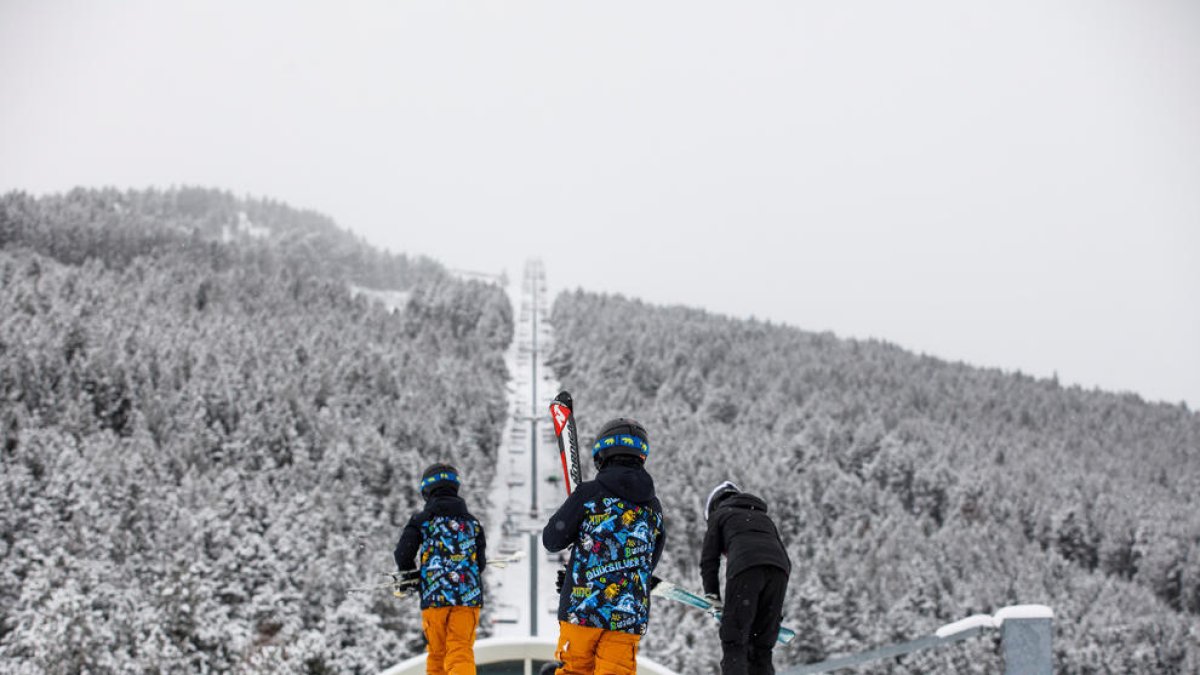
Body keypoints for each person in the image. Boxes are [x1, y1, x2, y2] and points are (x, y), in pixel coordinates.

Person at [541, 418, 666, 675]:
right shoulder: (653, 508)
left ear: (602, 453)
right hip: (628, 615)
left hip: (582, 609)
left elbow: (552, 540)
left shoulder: (589, 494)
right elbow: (647, 562)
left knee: (574, 670)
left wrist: (579, 574)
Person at [395, 463, 487, 675]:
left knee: (437, 654)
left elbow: (403, 553)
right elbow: (480, 562)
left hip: (434, 598)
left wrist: (410, 577)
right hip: (467, 597)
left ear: (426, 489)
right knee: (460, 651)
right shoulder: (472, 523)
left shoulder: (422, 520)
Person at [700, 481, 791, 675]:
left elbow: (709, 561)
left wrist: (712, 595)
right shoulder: (764, 519)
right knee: (761, 648)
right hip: (779, 571)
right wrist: (773, 612)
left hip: (746, 566)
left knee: (734, 640)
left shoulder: (720, 515)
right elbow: (783, 560)